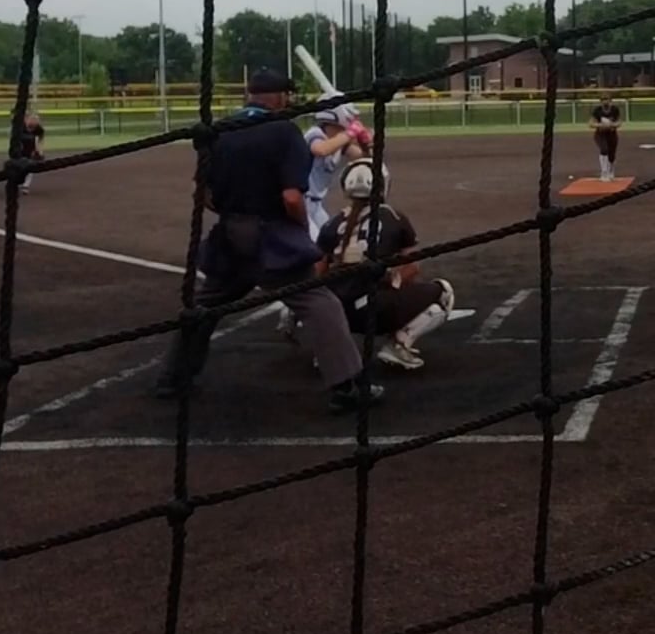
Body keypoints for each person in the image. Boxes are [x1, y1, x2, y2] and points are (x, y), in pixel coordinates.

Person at [152, 69, 376, 413]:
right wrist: (298, 230)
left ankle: (172, 378)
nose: (289, 100)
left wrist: (234, 213)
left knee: (203, 306)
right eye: (286, 95)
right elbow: (291, 197)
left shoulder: (220, 130)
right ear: (278, 97)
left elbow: (204, 194)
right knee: (319, 302)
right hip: (272, 235)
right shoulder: (283, 130)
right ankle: (347, 387)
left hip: (230, 234)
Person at [315, 158, 456, 371]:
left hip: (337, 313)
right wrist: (392, 285)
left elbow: (316, 275)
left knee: (316, 299)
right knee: (444, 292)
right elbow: (412, 268)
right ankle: (399, 345)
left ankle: (329, 350)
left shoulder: (331, 224)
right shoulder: (393, 217)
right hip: (375, 310)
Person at [303, 102, 365, 240]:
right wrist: (349, 133)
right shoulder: (315, 133)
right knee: (316, 243)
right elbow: (321, 149)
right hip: (302, 202)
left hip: (316, 204)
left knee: (330, 239)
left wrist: (365, 142)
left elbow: (363, 156)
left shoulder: (338, 141)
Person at [589, 92, 624, 181]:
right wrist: (601, 125)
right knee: (604, 149)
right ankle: (604, 172)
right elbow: (591, 123)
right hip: (600, 134)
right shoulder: (597, 110)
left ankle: (611, 171)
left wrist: (611, 124)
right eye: (603, 100)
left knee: (612, 154)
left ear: (610, 101)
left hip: (612, 134)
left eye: (607, 100)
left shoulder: (615, 110)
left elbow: (619, 122)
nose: (605, 102)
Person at [9, 112, 45, 193]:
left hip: (30, 149)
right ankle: (16, 182)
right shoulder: (20, 127)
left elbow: (40, 141)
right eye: (32, 119)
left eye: (36, 120)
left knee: (30, 166)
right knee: (17, 166)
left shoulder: (39, 129)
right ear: (27, 120)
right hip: (18, 149)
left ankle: (26, 185)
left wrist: (40, 151)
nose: (35, 121)